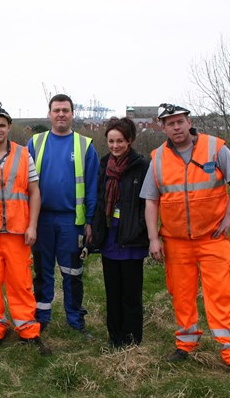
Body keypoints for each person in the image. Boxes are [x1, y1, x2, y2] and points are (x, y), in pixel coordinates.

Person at [140, 103, 230, 380]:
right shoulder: (157, 158)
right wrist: (153, 238)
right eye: (170, 123)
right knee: (181, 295)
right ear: (162, 127)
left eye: (179, 121)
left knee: (222, 294)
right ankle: (186, 344)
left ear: (188, 122)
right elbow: (151, 200)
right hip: (176, 241)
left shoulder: (214, 147)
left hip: (213, 238)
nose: (176, 127)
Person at [0, 102, 51, 356]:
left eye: (2, 125)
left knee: (21, 283)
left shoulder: (24, 154)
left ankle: (27, 329)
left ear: (9, 127)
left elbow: (34, 191)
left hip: (18, 232)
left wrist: (32, 225)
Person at [27, 94, 99, 339]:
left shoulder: (85, 145)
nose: (61, 114)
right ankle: (41, 318)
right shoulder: (34, 143)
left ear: (72, 113)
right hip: (42, 219)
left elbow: (92, 187)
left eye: (65, 110)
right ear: (49, 114)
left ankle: (75, 320)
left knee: (73, 272)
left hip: (72, 221)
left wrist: (89, 220)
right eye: (56, 110)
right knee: (42, 271)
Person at [90, 117, 149, 348]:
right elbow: (98, 198)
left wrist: (140, 226)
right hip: (110, 239)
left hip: (132, 240)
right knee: (112, 293)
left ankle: (133, 339)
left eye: (120, 141)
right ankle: (115, 338)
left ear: (130, 141)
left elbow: (148, 202)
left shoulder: (141, 166)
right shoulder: (104, 165)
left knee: (131, 295)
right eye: (111, 141)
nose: (115, 146)